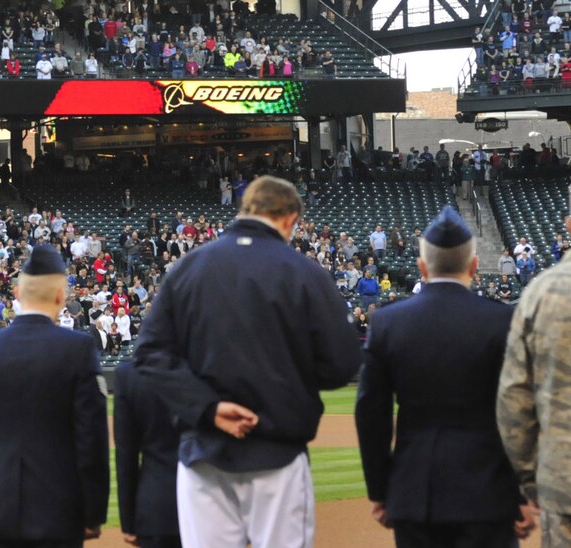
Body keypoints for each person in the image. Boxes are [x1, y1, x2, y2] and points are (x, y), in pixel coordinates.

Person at [134, 177, 361, 548]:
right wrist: (289, 377)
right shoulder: (304, 272)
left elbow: (150, 354)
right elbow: (343, 363)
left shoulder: (188, 268)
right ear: (289, 219)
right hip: (278, 452)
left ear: (245, 210)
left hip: (203, 452)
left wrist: (209, 408)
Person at [356, 206, 536, 547]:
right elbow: (521, 412)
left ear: (423, 267)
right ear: (474, 266)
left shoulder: (387, 323)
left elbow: (371, 414)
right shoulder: (503, 321)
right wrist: (524, 492)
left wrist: (381, 490)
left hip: (415, 492)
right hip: (489, 494)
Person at [0, 245, 109, 547]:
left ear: (16, 293)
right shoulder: (77, 349)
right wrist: (93, 512)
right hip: (61, 510)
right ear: (59, 296)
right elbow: (91, 438)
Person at [497, 192, 571, 546]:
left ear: (569, 227)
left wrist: (527, 483)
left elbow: (514, 401)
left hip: (565, 482)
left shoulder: (541, 291)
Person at [115, 360, 181, 548]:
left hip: (156, 507)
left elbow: (126, 455)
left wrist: (128, 521)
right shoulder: (204, 366)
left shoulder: (129, 373)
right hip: (209, 507)